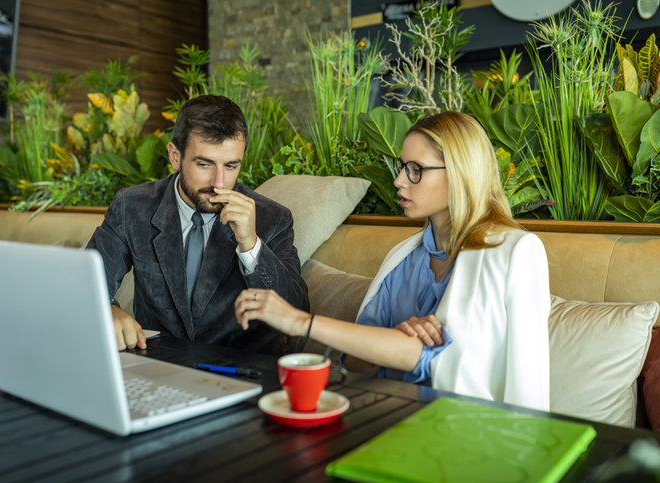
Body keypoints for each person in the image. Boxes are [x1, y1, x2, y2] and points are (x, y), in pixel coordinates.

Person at [234, 111, 550, 411]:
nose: (399, 180)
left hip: (465, 434)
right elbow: (355, 363)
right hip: (378, 414)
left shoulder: (516, 251)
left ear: (460, 173)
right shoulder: (401, 257)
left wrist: (300, 321)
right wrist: (396, 337)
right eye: (402, 167)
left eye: (416, 169)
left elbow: (520, 379)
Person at [87, 94, 309, 355]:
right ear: (175, 156)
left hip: (246, 374)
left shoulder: (273, 218)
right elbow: (87, 285)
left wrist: (251, 246)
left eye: (231, 165)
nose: (219, 181)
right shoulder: (132, 207)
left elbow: (297, 317)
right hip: (160, 368)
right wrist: (109, 310)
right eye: (204, 164)